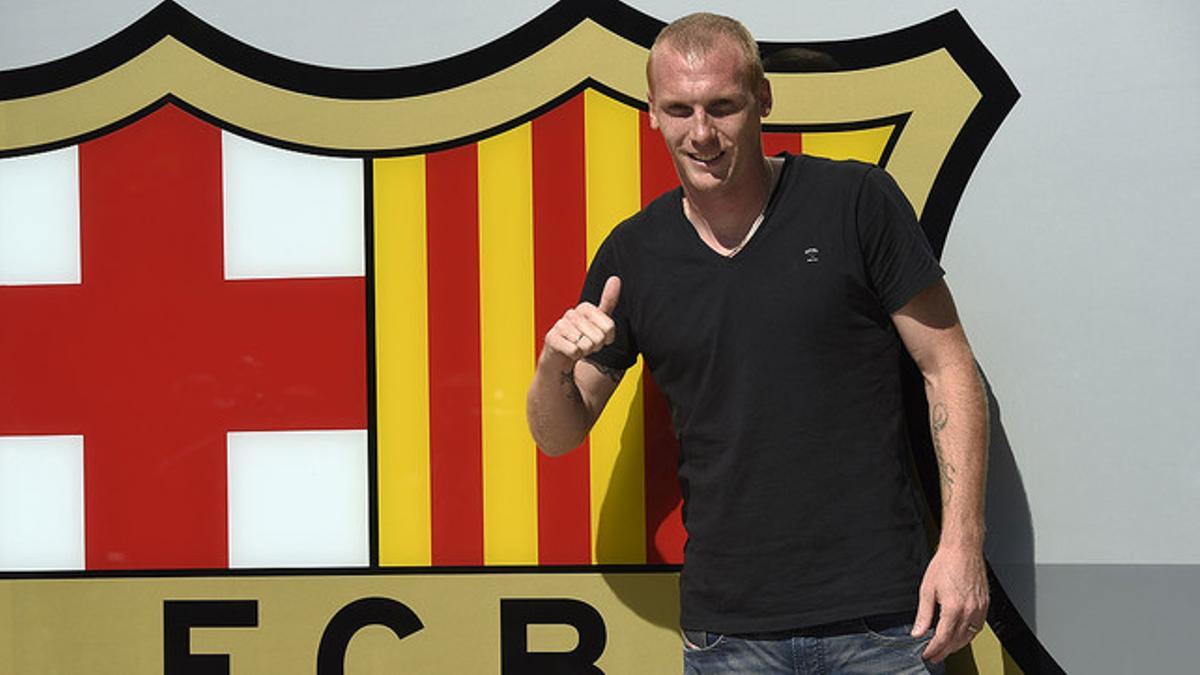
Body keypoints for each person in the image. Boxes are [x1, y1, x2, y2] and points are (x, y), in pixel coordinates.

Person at [525, 12, 988, 674]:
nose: (702, 133)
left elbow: (949, 368)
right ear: (651, 111)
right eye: (680, 109)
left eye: (723, 106)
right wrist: (554, 365)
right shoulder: (635, 253)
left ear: (763, 98)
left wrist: (963, 546)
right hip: (731, 636)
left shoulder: (855, 203)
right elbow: (557, 435)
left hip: (886, 619)